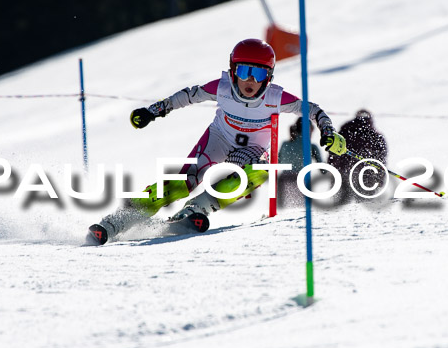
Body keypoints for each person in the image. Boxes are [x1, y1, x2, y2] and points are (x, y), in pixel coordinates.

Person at [86, 38, 346, 245]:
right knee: (182, 183)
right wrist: (152, 111)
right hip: (218, 139)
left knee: (258, 171)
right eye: (244, 71)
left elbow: (314, 110)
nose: (250, 81)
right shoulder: (221, 87)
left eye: (258, 73)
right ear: (233, 70)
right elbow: (187, 96)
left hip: (251, 150)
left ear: (269, 76)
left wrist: (328, 132)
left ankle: (196, 209)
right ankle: (118, 220)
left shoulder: (276, 97)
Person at [328, 109, 388, 200]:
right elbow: (381, 159)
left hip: (344, 173)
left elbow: (333, 153)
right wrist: (380, 176)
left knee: (343, 205)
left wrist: (332, 170)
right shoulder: (375, 136)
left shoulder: (345, 131)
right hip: (366, 176)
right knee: (363, 205)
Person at [277, 117, 323, 206]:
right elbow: (323, 170)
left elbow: (278, 162)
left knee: (285, 211)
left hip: (283, 180)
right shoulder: (311, 147)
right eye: (311, 130)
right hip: (301, 180)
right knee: (300, 210)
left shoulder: (285, 144)